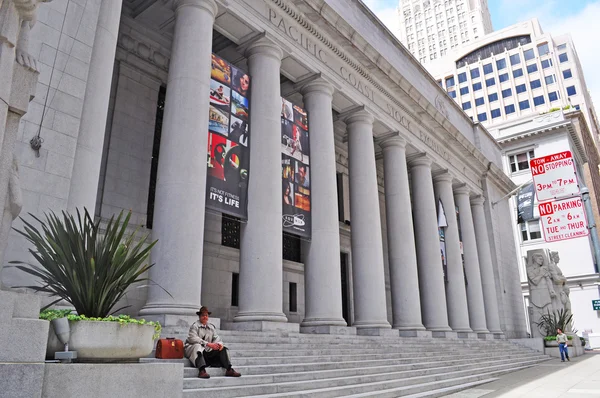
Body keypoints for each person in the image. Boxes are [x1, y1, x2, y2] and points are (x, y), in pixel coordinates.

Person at [184, 306, 241, 379]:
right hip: (194, 351)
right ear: (199, 316)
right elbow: (192, 338)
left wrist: (218, 345)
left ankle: (229, 369)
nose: (205, 317)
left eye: (206, 315)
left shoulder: (211, 327)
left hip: (206, 352)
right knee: (198, 346)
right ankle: (202, 370)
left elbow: (217, 338)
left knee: (223, 349)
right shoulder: (194, 326)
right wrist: (208, 344)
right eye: (203, 315)